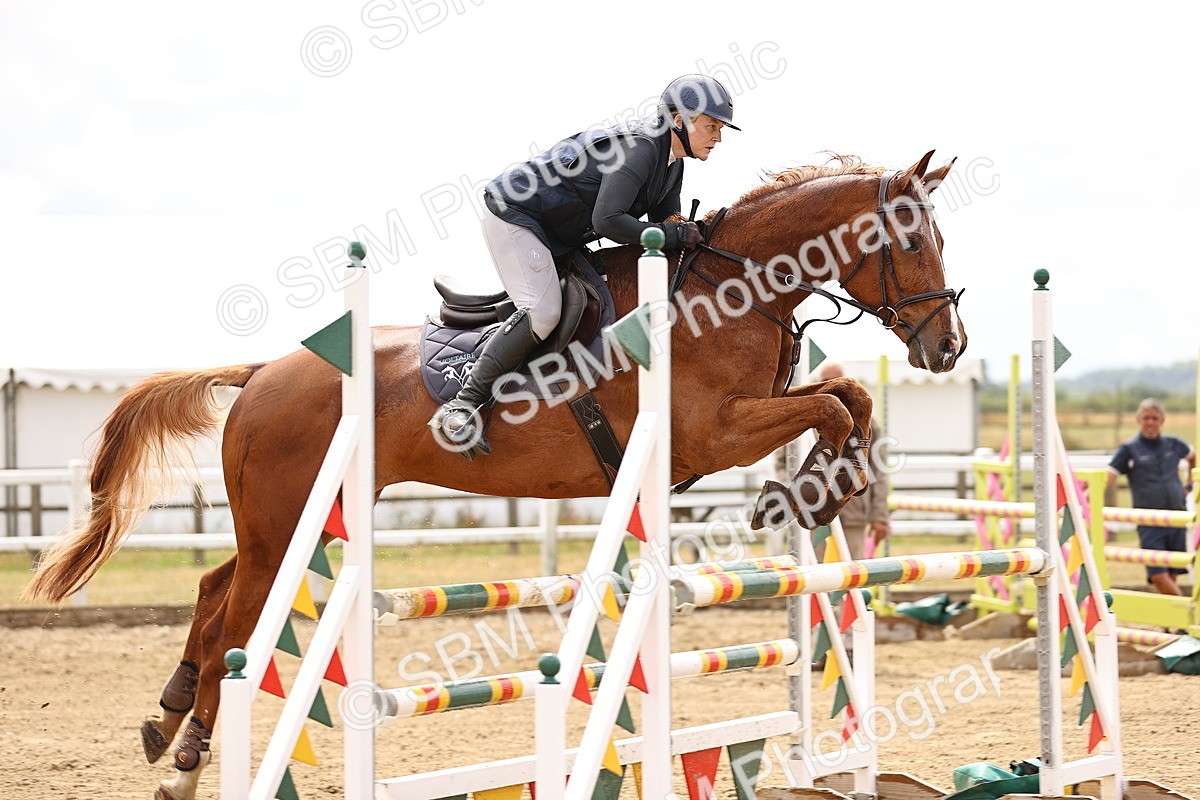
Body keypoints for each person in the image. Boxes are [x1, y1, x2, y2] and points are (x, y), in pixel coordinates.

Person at [429, 75, 740, 458]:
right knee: (543, 312)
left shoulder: (672, 162)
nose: (718, 137)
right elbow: (610, 221)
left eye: (720, 128)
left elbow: (666, 222)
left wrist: (698, 232)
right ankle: (463, 404)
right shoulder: (641, 149)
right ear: (679, 120)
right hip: (516, 216)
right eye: (711, 126)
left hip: (559, 232)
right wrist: (676, 235)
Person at [775, 362, 891, 559]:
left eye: (834, 382)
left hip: (853, 509)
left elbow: (878, 471)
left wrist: (879, 515)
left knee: (855, 570)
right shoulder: (806, 417)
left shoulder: (867, 422)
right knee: (812, 566)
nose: (831, 386)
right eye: (825, 382)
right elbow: (782, 462)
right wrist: (796, 493)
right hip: (813, 507)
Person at [1106, 398, 1197, 596]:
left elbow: (1193, 456)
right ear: (1138, 420)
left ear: (1162, 421)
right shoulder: (1129, 449)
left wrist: (1189, 484)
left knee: (1172, 573)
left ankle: (1170, 625)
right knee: (1158, 575)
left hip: (1176, 516)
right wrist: (1085, 498)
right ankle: (1185, 616)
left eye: (1155, 418)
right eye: (1146, 418)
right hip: (1149, 520)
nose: (1150, 422)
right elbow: (1109, 477)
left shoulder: (1173, 444)